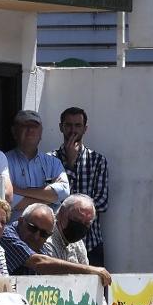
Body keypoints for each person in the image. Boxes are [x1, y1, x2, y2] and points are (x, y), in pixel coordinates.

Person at [52, 107, 108, 266]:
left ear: (85, 128)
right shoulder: (50, 160)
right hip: (60, 241)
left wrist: (73, 210)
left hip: (91, 241)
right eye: (68, 125)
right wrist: (70, 163)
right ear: (61, 127)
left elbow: (102, 202)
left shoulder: (97, 160)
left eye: (78, 125)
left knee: (97, 289)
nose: (73, 130)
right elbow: (53, 200)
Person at [5, 109, 69, 222]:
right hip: (13, 232)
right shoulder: (3, 161)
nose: (30, 130)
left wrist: (20, 190)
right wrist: (48, 199)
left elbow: (63, 191)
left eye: (34, 126)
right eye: (24, 125)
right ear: (14, 131)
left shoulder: (53, 163)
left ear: (41, 133)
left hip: (46, 233)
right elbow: (8, 199)